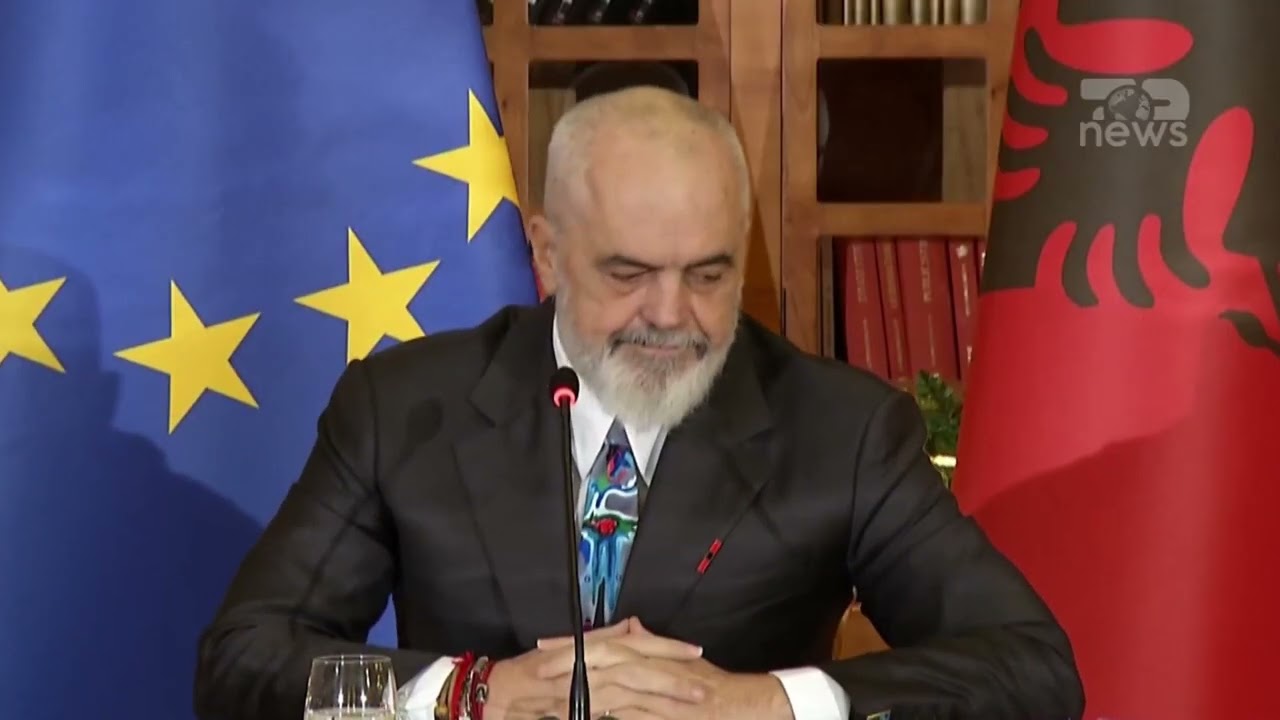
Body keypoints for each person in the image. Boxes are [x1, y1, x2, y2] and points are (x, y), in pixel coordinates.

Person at [193, 86, 1085, 720]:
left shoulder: (841, 430)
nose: (669, 314)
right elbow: (243, 661)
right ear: (547, 254)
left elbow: (1031, 669)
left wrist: (771, 704)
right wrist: (469, 694)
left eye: (709, 275)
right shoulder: (405, 408)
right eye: (628, 274)